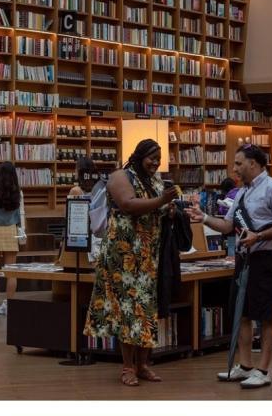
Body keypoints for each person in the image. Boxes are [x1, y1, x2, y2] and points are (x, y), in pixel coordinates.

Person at [186, 144, 272, 390]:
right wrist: (204, 218)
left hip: (266, 260)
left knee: (266, 316)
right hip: (244, 259)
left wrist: (258, 236)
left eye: (239, 163)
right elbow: (227, 225)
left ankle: (263, 370)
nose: (234, 168)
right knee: (241, 313)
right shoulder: (242, 192)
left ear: (253, 164)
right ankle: (245, 366)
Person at [83, 139, 179, 386]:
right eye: (151, 158)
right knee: (127, 310)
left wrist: (169, 209)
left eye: (158, 159)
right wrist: (161, 201)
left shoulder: (155, 181)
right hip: (123, 255)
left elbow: (157, 207)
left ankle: (143, 365)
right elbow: (128, 205)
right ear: (138, 156)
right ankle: (127, 368)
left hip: (147, 254)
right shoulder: (120, 176)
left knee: (146, 310)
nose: (156, 163)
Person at [0, 162, 26, 317]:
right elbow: (21, 213)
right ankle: (9, 304)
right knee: (11, 271)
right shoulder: (18, 192)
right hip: (11, 229)